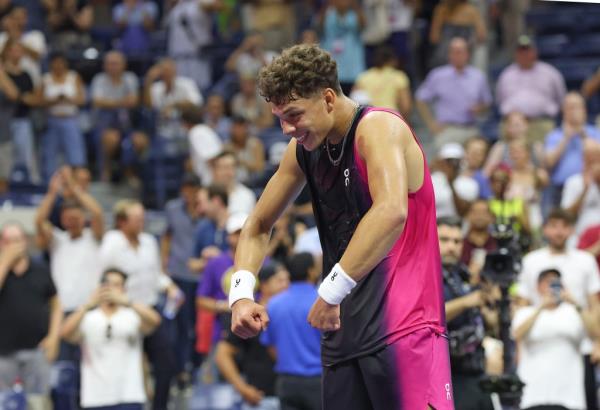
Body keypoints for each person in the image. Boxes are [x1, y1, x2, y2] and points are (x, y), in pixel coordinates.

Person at [228, 44, 452, 410]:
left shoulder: (378, 127)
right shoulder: (304, 149)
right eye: (279, 118)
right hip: (341, 333)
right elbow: (256, 224)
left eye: (294, 115)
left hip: (405, 327)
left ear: (329, 98)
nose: (287, 129)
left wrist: (331, 292)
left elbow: (391, 211)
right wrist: (240, 294)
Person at [517, 208, 600, 410]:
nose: (559, 232)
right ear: (545, 229)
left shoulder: (585, 260)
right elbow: (522, 303)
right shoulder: (531, 261)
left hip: (580, 339)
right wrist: (519, 345)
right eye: (553, 226)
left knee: (584, 400)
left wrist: (598, 341)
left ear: (572, 230)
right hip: (539, 340)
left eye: (564, 226)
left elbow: (595, 302)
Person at [61, 268, 161, 410]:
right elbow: (65, 333)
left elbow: (155, 320)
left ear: (124, 289)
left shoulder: (132, 316)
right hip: (95, 398)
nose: (112, 290)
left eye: (117, 285)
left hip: (129, 395)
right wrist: (88, 305)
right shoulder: (89, 318)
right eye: (108, 284)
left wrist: (127, 301)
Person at [0, 222, 62, 410]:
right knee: (4, 402)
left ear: (26, 242)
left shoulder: (40, 269)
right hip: (3, 352)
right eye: (8, 241)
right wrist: (5, 262)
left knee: (38, 403)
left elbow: (57, 304)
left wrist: (53, 338)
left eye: (18, 240)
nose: (14, 245)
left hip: (37, 349)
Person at [437, 216, 495, 410]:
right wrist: (465, 302)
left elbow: (488, 322)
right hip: (448, 375)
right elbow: (426, 319)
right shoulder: (426, 274)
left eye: (457, 241)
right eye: (444, 240)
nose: (451, 247)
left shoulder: (462, 275)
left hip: (476, 372)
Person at [512, 268, 591, 410]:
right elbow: (517, 335)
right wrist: (541, 306)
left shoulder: (573, 312)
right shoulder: (526, 312)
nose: (552, 286)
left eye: (556, 283)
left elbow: (595, 332)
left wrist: (575, 302)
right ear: (538, 286)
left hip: (570, 397)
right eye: (548, 282)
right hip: (532, 395)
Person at [215, 263, 289, 409]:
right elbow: (222, 354)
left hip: (290, 397)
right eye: (280, 281)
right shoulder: (250, 315)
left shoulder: (290, 313)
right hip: (261, 399)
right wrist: (242, 389)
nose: (286, 285)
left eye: (288, 280)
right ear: (265, 285)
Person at [260, 252, 322, 410]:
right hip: (318, 380)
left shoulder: (274, 304)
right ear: (311, 271)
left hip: (287, 381)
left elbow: (270, 344)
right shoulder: (323, 303)